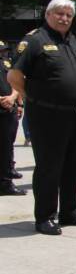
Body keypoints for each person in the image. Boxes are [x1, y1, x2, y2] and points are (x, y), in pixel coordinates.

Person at [9, 0, 76, 235]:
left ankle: (69, 211)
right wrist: (34, 98)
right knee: (49, 167)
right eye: (59, 14)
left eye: (68, 15)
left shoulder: (72, 40)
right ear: (47, 15)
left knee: (72, 165)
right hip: (47, 114)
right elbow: (15, 76)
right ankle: (45, 216)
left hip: (74, 114)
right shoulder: (35, 40)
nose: (64, 18)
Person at [0, 40, 25, 196]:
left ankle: (6, 182)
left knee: (7, 147)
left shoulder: (7, 63)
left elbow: (16, 83)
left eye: (3, 50)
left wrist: (15, 99)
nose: (3, 53)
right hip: (3, 105)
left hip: (9, 108)